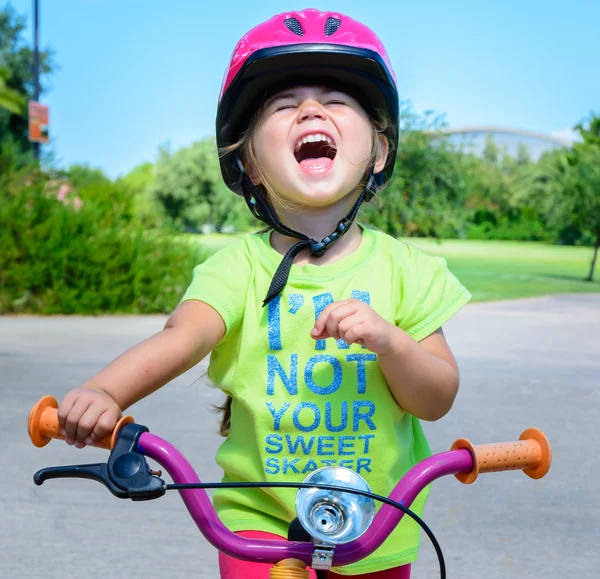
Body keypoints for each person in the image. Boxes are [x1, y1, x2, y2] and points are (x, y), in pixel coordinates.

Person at [57, 9, 471, 578]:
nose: (311, 110)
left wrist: (392, 344)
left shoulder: (409, 270)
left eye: (338, 100)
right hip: (260, 525)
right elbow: (177, 340)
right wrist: (104, 391)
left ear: (378, 152)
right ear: (249, 161)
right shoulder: (236, 270)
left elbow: (436, 398)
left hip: (375, 526)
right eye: (284, 105)